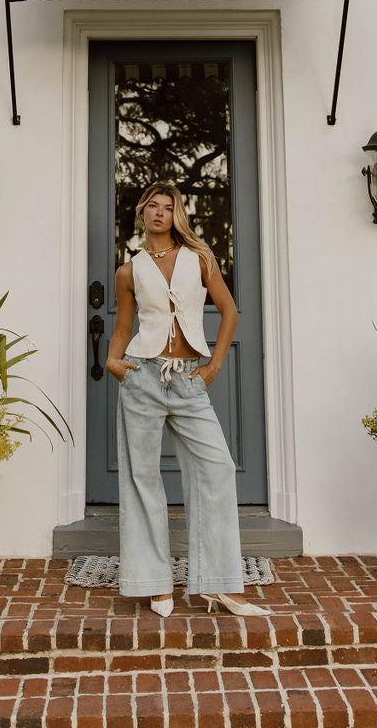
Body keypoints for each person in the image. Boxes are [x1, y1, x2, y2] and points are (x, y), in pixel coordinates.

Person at [105, 180, 269, 618]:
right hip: (142, 375)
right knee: (142, 478)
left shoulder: (200, 259)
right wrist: (113, 361)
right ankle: (154, 583)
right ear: (142, 213)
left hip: (188, 379)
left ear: (177, 213)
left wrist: (213, 366)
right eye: (152, 206)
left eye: (168, 206)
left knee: (216, 467)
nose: (159, 213)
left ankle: (216, 584)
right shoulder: (129, 270)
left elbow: (230, 311)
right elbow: (123, 327)